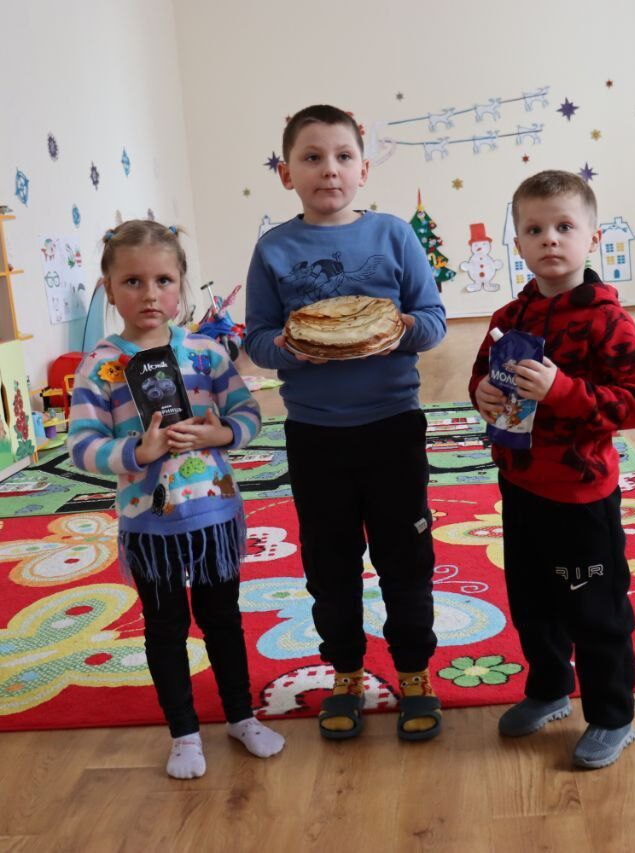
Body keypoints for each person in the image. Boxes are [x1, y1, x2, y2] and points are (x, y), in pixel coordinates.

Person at [245, 105, 448, 741]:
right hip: (315, 435)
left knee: (405, 557)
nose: (328, 169)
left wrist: (396, 328)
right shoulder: (274, 249)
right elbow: (257, 338)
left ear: (363, 169)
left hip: (392, 426)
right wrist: (290, 350)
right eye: (311, 157)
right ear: (287, 173)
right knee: (329, 563)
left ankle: (414, 671)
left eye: (342, 156)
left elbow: (433, 320)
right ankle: (346, 673)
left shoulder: (394, 236)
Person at [69, 220, 284, 779]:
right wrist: (135, 452)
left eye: (163, 280)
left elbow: (248, 414)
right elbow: (81, 446)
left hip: (213, 514)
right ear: (109, 289)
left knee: (223, 620)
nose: (150, 294)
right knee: (165, 629)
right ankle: (184, 733)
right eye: (132, 281)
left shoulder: (207, 353)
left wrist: (221, 433)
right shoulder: (100, 366)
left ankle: (241, 715)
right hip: (149, 525)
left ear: (182, 283)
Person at [468, 170, 635, 769]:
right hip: (521, 485)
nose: (550, 238)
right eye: (535, 229)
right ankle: (550, 688)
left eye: (565, 226)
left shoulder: (609, 322)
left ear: (592, 238)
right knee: (532, 601)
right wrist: (482, 395)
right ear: (518, 244)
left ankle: (612, 715)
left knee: (595, 609)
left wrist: (562, 391)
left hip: (581, 495)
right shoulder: (507, 317)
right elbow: (482, 377)